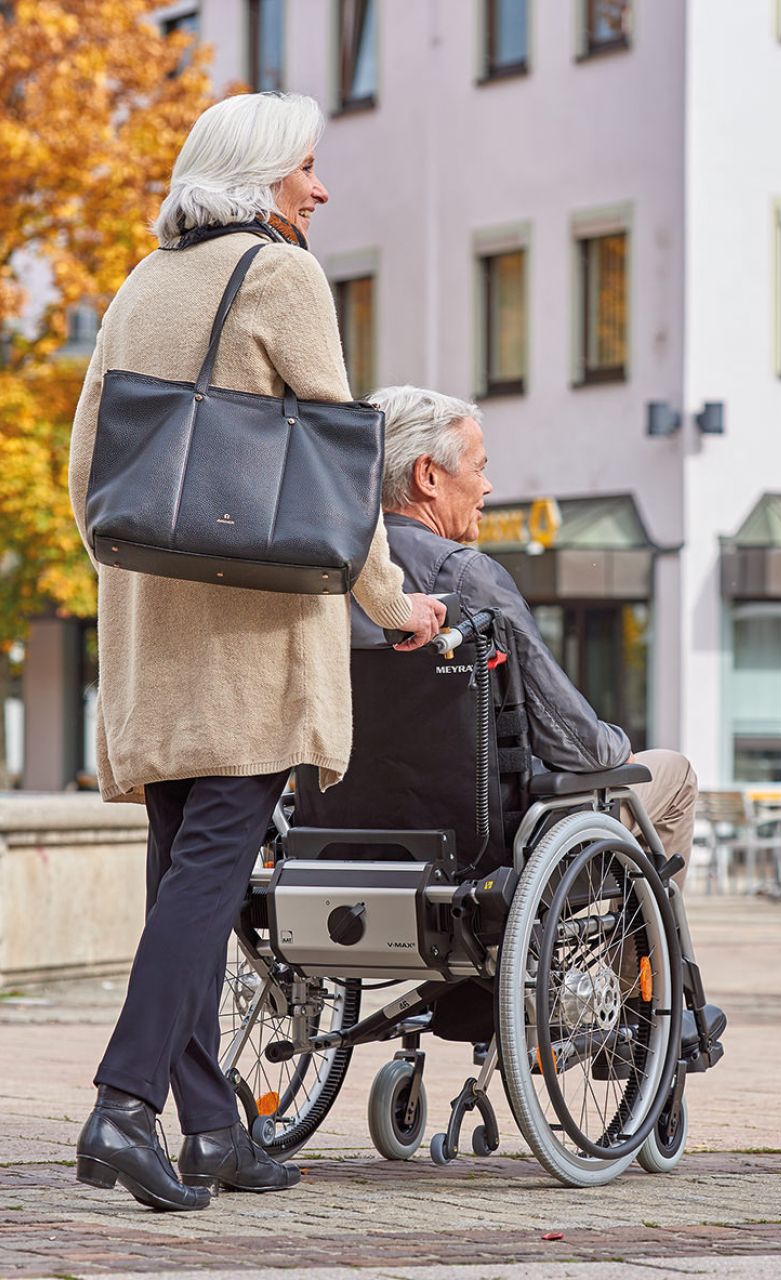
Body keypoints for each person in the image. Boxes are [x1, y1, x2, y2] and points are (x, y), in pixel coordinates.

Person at [67, 94, 444, 1211]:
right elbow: (337, 466)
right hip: (246, 636)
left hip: (153, 629)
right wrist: (395, 601)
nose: (319, 189)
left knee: (182, 877)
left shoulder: (141, 282)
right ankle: (124, 1106)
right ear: (264, 174)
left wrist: (147, 574)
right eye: (309, 169)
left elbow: (90, 468)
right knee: (210, 875)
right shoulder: (281, 277)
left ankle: (213, 1128)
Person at [352, 385, 699, 885]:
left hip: (342, 835)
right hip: (489, 847)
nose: (488, 486)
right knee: (673, 772)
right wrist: (614, 747)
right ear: (428, 475)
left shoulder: (327, 577)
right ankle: (644, 965)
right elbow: (573, 741)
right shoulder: (467, 577)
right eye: (478, 468)